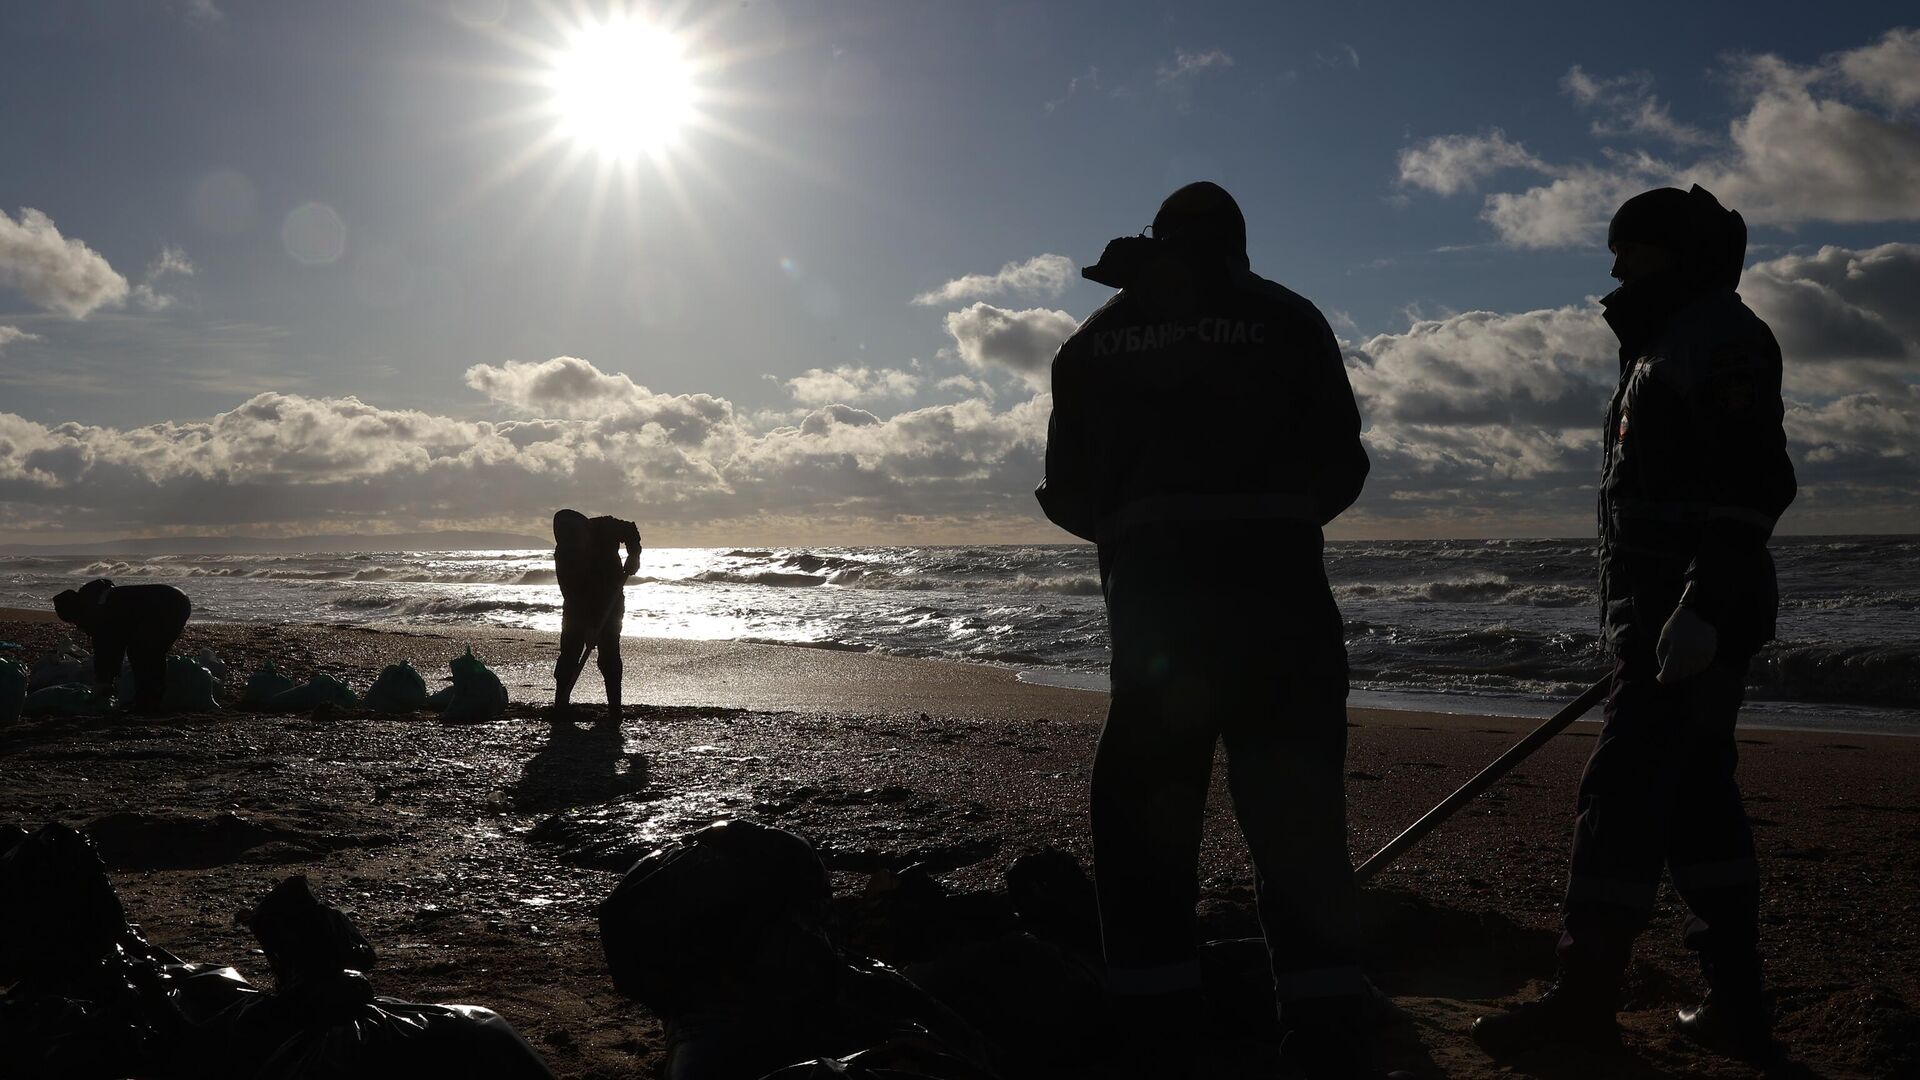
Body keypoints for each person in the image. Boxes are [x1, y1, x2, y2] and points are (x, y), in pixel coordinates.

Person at [1037, 182, 1375, 1077]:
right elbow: (1342, 466)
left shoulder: (1094, 342)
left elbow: (1066, 493)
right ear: (1238, 245)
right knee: (1301, 837)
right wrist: (1273, 526)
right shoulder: (1290, 320)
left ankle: (1156, 1042)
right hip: (1286, 627)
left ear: (1159, 241)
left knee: (1145, 845)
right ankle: (1329, 1041)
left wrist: (1146, 542)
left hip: (1157, 640)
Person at [1471, 185, 1796, 1064]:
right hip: (1659, 618)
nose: (1614, 267)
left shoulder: (1715, 339)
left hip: (1690, 617)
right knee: (1696, 801)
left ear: (1673, 253)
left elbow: (1754, 484)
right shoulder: (1661, 341)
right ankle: (1736, 1004)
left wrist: (1699, 606)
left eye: (1629, 250)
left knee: (1621, 799)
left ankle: (1582, 1006)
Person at [552, 508, 642, 722]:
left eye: (578, 536)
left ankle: (614, 709)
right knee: (570, 653)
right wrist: (588, 626)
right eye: (569, 540)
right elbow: (571, 593)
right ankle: (560, 704)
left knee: (609, 654)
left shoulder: (605, 527)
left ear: (585, 528)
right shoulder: (564, 554)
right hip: (577, 605)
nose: (577, 543)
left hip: (611, 598)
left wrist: (634, 554)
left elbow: (630, 529)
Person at [50, 578, 192, 713]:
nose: (78, 625)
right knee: (148, 652)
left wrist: (103, 681)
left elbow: (106, 648)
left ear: (76, 611)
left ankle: (149, 702)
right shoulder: (102, 599)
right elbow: (114, 644)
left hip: (166, 605)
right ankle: (150, 699)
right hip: (176, 599)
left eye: (74, 620)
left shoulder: (99, 611)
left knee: (142, 653)